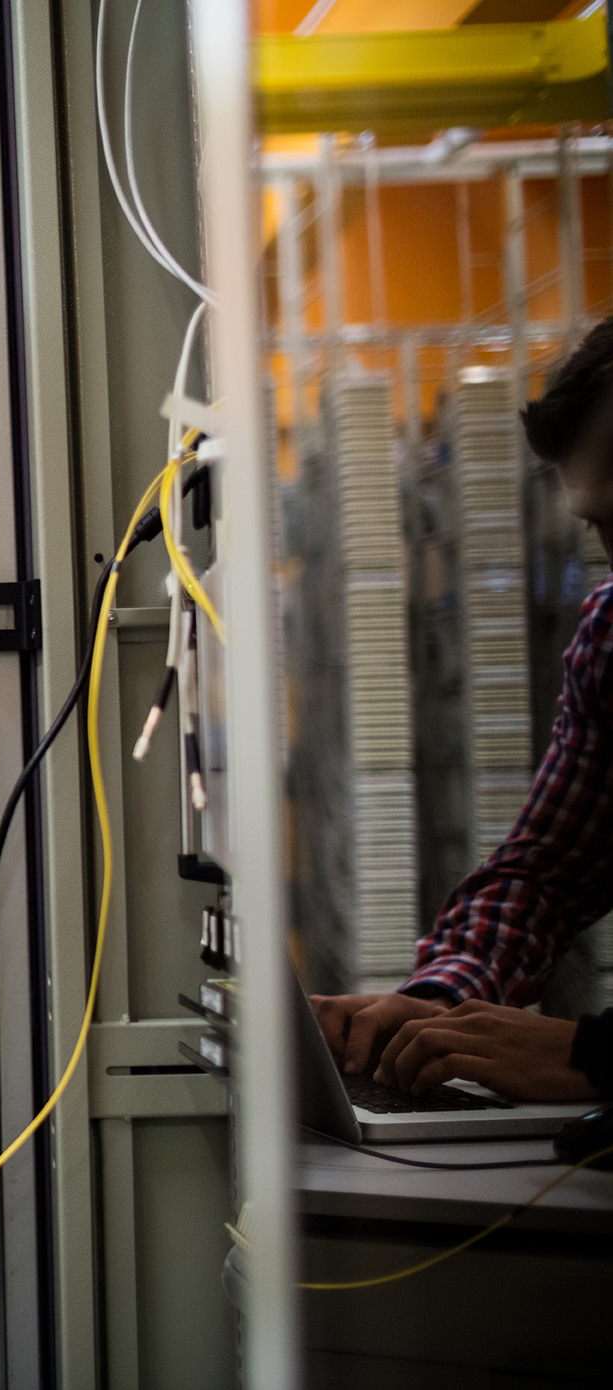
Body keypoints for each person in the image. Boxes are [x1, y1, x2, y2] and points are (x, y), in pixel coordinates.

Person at [311, 320, 613, 1105]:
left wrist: (596, 1057)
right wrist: (433, 1001)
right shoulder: (610, 638)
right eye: (598, 528)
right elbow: (547, 873)